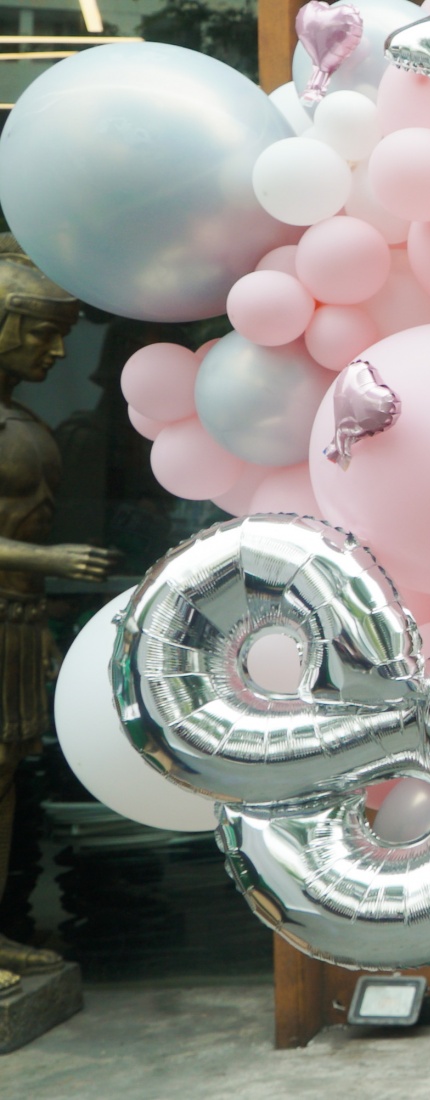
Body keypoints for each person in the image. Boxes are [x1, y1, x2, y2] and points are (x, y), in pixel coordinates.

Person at [0, 237, 119, 996]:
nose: (58, 350)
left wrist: (39, 607)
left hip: (17, 619)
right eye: (43, 332)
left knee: (7, 778)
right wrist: (48, 560)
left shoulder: (19, 417)